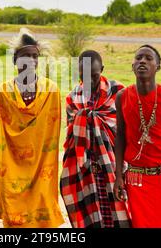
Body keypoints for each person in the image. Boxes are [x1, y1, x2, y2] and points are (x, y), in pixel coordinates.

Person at [0, 28, 64, 228]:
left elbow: (52, 134)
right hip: (12, 163)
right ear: (15, 60)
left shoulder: (51, 91)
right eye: (26, 56)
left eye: (35, 56)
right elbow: (1, 138)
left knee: (41, 213)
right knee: (14, 211)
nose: (31, 60)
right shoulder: (3, 93)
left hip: (42, 163)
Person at [113, 45, 161, 228]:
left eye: (148, 58)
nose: (142, 61)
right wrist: (118, 176)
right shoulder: (122, 96)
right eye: (138, 58)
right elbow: (120, 137)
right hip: (135, 178)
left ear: (158, 66)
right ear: (132, 66)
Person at [60, 50, 131, 228]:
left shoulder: (118, 92)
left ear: (102, 69)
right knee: (91, 212)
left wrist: (89, 117)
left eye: (94, 75)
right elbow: (72, 135)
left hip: (114, 164)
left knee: (119, 210)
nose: (90, 80)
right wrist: (85, 118)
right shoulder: (73, 97)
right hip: (85, 166)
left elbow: (126, 130)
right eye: (84, 75)